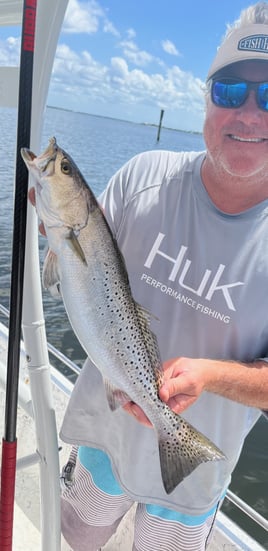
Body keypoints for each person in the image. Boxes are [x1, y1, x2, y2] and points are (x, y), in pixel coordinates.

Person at [38, 3, 268, 550]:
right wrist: (49, 225)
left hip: (192, 481)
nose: (249, 115)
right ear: (207, 98)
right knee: (76, 537)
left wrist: (210, 376)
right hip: (102, 435)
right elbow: (76, 273)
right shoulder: (142, 176)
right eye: (231, 92)